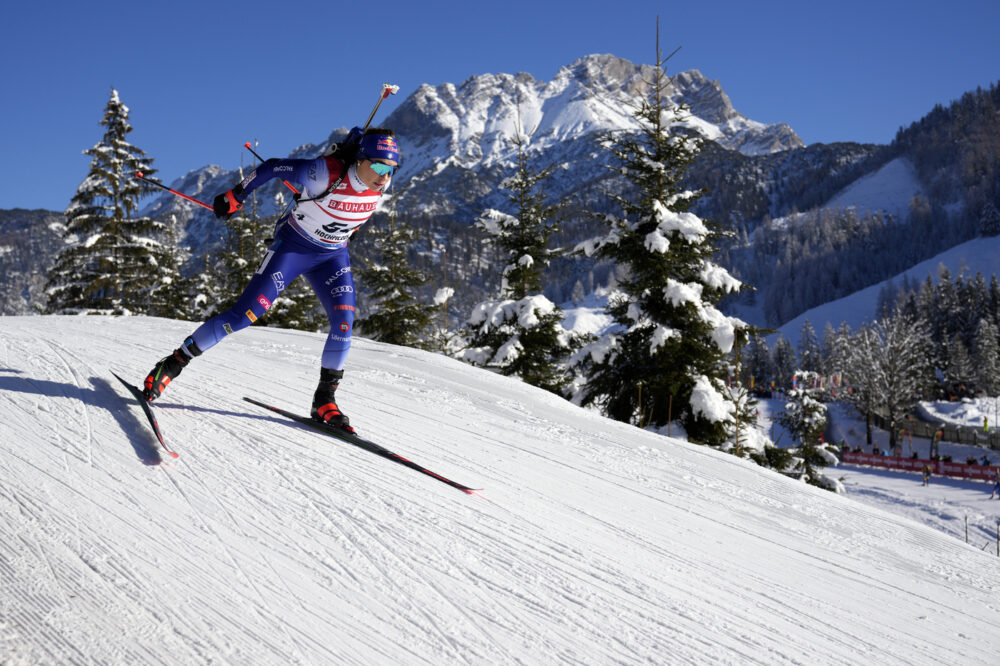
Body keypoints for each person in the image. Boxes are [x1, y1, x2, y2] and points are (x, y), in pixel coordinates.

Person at [139, 128, 400, 434]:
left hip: (332, 257)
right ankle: (172, 364)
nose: (384, 177)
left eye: (391, 169)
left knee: (344, 322)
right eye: (379, 166)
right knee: (242, 317)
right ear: (360, 160)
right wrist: (235, 195)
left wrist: (345, 230)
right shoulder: (324, 174)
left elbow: (348, 213)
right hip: (294, 249)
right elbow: (273, 166)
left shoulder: (378, 185)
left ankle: (324, 400)